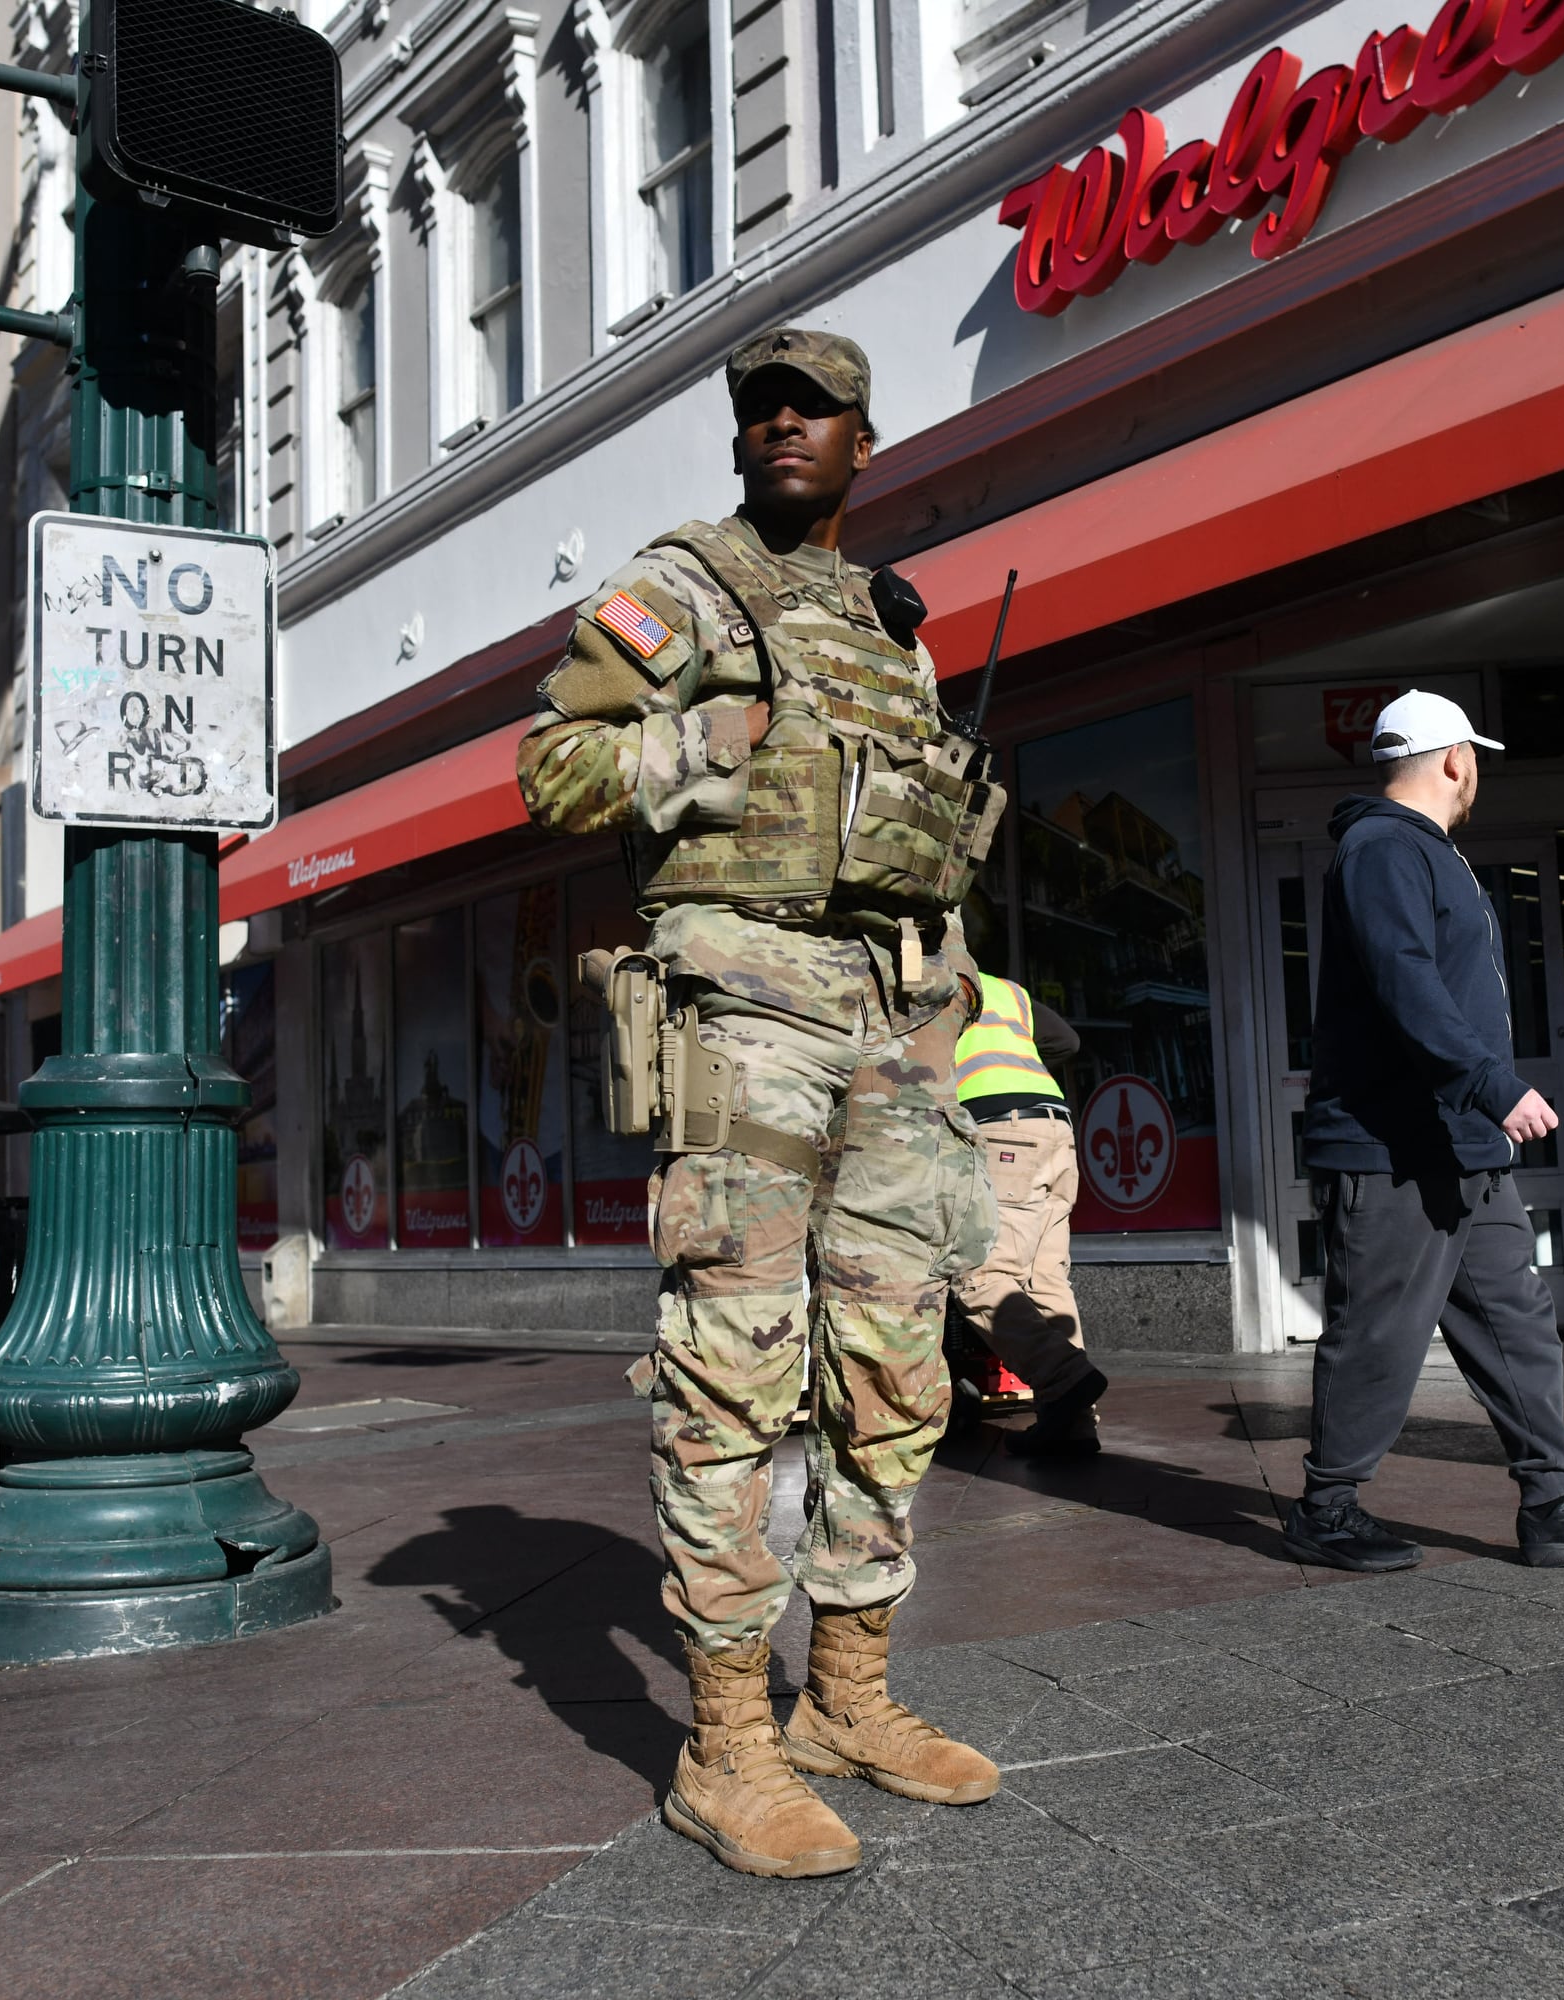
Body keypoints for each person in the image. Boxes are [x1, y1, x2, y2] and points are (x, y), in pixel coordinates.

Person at [520, 327, 1005, 1880]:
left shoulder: (889, 624)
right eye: (761, 410)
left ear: (867, 442)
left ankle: (846, 1696)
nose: (784, 425)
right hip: (741, 1000)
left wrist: (952, 991)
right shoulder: (690, 586)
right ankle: (725, 1741)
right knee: (736, 1369)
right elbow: (549, 767)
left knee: (898, 1362)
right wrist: (698, 742)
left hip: (888, 1016)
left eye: (817, 410)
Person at [1292, 690, 1564, 1573]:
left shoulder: (1420, 851)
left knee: (1518, 1323)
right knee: (1380, 1333)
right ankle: (1327, 1507)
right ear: (1456, 759)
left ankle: (1553, 1507)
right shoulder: (1383, 846)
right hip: (1393, 1151)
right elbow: (1404, 981)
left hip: (1463, 1149)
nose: (1478, 776)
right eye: (1477, 761)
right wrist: (1490, 1084)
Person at [951, 972, 1105, 1457]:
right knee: (1046, 1281)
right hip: (1055, 1127)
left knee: (977, 1275)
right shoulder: (1005, 989)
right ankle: (1071, 1425)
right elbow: (1067, 1041)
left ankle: (1065, 1376)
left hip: (1002, 1132)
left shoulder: (931, 975)